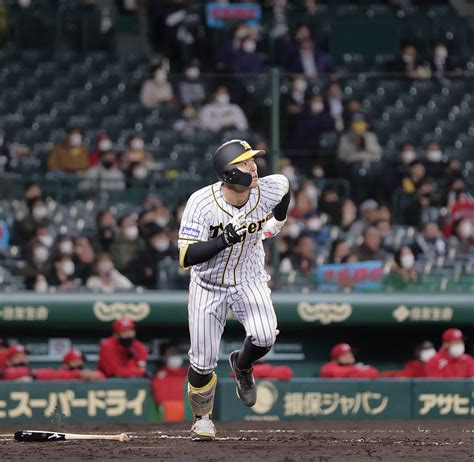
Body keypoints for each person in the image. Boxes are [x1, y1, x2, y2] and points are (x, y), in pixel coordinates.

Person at [177, 139, 290, 440]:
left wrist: (275, 225)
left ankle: (242, 365)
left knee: (265, 336)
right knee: (202, 362)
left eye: (253, 160)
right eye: (244, 162)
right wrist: (222, 241)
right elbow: (186, 257)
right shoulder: (200, 203)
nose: (253, 166)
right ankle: (202, 419)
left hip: (248, 277)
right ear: (228, 174)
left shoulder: (270, 187)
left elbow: (284, 190)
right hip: (207, 283)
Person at [151, 341, 188, 422]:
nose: (175, 356)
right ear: (164, 357)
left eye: (176, 353)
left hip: (188, 415)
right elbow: (160, 399)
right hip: (167, 416)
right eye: (171, 354)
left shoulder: (187, 374)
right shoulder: (160, 375)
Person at [34, 349, 105, 381]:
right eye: (75, 361)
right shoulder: (58, 374)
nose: (80, 363)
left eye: (81, 360)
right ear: (65, 364)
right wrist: (76, 374)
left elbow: (101, 376)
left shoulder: (87, 374)